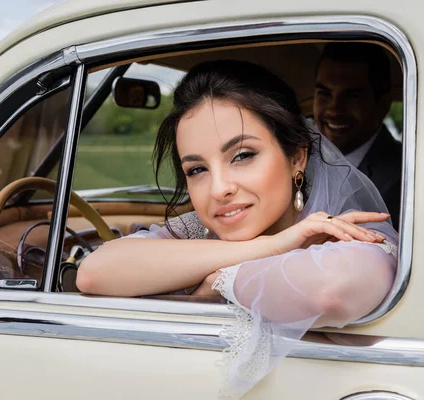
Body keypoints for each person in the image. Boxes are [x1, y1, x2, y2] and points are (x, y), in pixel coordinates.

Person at [76, 60, 398, 399]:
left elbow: (332, 290)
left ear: (297, 158)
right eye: (197, 168)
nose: (218, 189)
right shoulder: (198, 230)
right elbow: (93, 273)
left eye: (243, 156)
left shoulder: (350, 234)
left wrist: (217, 281)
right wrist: (270, 246)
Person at [314, 42, 403, 230]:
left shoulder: (404, 175)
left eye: (351, 96)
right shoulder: (300, 158)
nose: (334, 109)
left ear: (383, 104)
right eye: (324, 93)